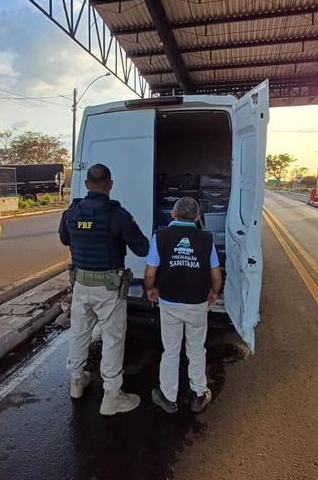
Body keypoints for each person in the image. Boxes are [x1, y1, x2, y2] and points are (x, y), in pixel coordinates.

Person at [59, 163, 150, 416]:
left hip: (80, 284)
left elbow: (65, 239)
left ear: (87, 185)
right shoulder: (117, 214)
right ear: (110, 185)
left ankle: (77, 381)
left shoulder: (73, 211)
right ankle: (111, 395)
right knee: (112, 338)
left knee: (79, 333)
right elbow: (142, 248)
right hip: (109, 288)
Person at [144, 197, 222, 414]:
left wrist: (150, 289)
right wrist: (213, 293)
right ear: (198, 218)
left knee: (171, 350)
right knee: (196, 348)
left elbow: (150, 271)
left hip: (169, 303)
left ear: (172, 214)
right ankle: (199, 394)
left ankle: (168, 397)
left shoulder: (160, 237)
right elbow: (215, 275)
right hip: (197, 303)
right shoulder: (206, 239)